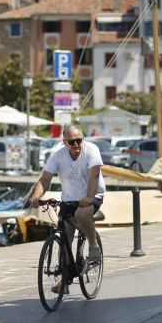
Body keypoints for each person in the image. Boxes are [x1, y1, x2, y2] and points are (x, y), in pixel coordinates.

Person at [29, 124, 105, 294]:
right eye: (72, 142)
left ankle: (93, 246)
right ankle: (65, 280)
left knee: (81, 214)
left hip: (93, 196)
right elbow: (45, 178)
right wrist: (36, 196)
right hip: (69, 199)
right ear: (64, 142)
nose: (76, 144)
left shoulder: (91, 150)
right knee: (64, 240)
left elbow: (94, 175)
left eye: (79, 140)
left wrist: (89, 198)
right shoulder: (57, 154)